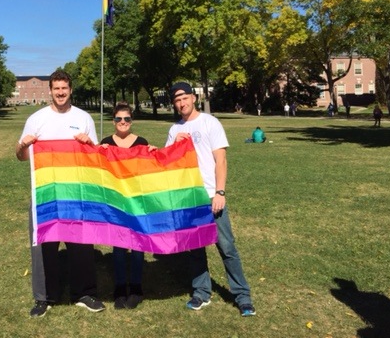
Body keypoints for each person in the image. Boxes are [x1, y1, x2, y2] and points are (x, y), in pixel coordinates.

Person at [16, 70, 104, 317]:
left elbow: (94, 155)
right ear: (50, 90)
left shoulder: (84, 117)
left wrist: (89, 143)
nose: (61, 93)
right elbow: (21, 156)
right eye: (56, 89)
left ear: (71, 89)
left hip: (76, 193)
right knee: (43, 245)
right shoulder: (36, 119)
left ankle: (84, 293)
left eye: (64, 88)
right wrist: (23, 145)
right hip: (46, 194)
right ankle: (44, 297)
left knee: (82, 244)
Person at [166, 82, 256, 317]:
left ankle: (242, 296)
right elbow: (166, 164)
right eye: (176, 100)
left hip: (211, 195)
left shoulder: (210, 122)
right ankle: (201, 292)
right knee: (195, 249)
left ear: (193, 98)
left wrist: (220, 192)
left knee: (226, 247)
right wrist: (175, 145)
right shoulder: (174, 130)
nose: (181, 103)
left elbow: (221, 160)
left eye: (184, 98)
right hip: (189, 198)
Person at [100, 102, 154, 310]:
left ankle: (137, 288)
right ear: (113, 121)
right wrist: (98, 152)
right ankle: (121, 287)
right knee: (119, 245)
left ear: (132, 121)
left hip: (137, 201)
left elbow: (150, 170)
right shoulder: (106, 143)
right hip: (115, 203)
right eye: (118, 119)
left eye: (127, 119)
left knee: (139, 245)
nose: (123, 122)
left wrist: (155, 153)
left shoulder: (141, 143)